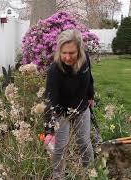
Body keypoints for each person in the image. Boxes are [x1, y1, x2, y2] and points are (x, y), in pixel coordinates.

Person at [44, 29, 95, 179]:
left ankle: (90, 172)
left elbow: (89, 79)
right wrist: (59, 118)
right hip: (62, 111)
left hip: (82, 107)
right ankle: (58, 175)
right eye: (64, 52)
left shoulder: (85, 60)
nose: (67, 57)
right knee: (60, 146)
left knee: (84, 142)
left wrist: (91, 95)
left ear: (79, 50)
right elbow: (51, 97)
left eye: (71, 53)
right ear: (59, 51)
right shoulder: (55, 69)